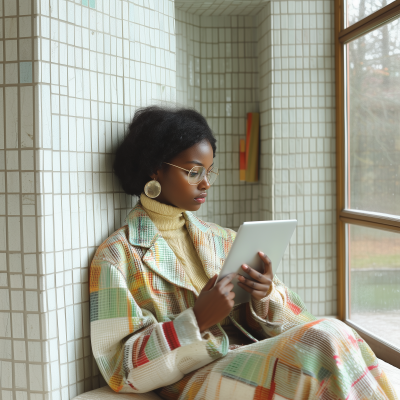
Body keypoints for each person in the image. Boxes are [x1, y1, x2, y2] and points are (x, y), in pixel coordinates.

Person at [90, 106, 397, 400]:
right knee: (327, 336)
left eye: (210, 171)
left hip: (248, 355)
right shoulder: (117, 257)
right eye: (194, 172)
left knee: (332, 333)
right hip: (193, 377)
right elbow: (120, 369)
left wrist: (264, 298)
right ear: (155, 169)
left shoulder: (223, 239)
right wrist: (195, 321)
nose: (206, 183)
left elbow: (300, 321)